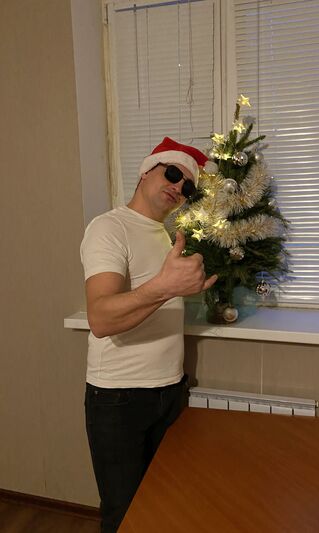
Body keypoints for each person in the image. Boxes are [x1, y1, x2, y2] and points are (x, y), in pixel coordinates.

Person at [80, 137, 218, 533]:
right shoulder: (109, 228)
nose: (178, 187)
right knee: (125, 516)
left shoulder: (164, 236)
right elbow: (100, 318)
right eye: (172, 173)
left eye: (187, 186)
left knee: (163, 506)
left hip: (169, 391)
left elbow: (155, 300)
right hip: (118, 398)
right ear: (146, 171)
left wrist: (184, 288)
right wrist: (166, 286)